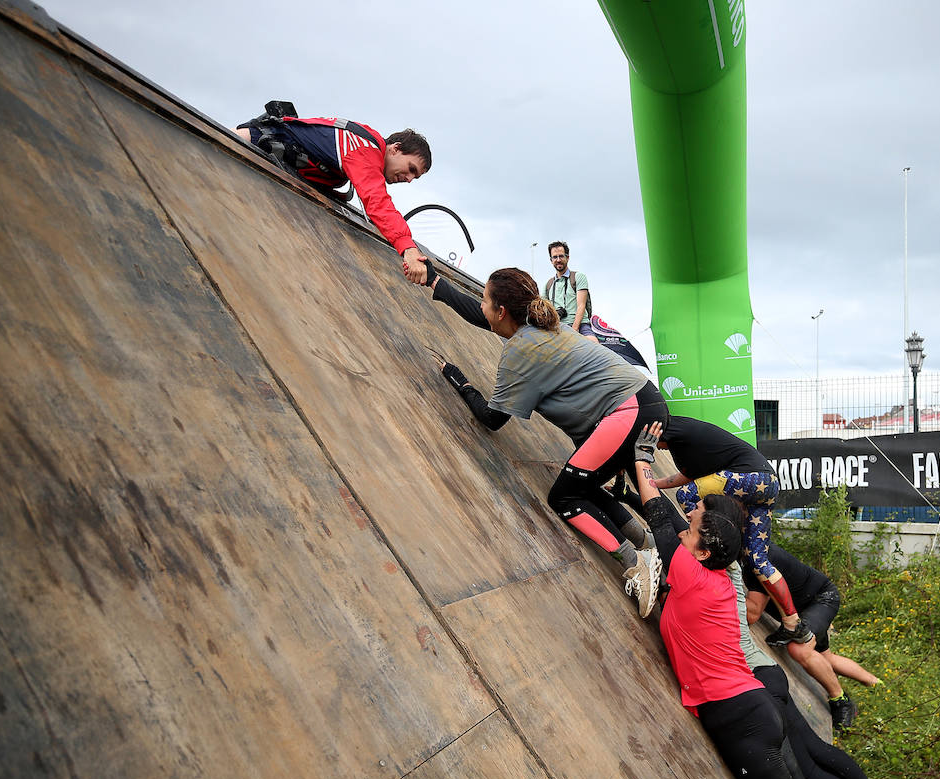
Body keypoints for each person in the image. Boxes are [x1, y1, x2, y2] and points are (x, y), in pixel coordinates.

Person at [630, 423, 919, 779]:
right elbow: (674, 525)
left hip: (736, 715)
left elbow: (655, 510)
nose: (688, 526)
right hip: (755, 701)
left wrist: (641, 462)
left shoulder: (686, 569)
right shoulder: (721, 575)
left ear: (699, 549)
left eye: (694, 527)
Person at [418, 262, 666, 613]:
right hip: (643, 401)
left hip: (626, 412)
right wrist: (435, 282)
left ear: (503, 311)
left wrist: (462, 383)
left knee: (564, 497)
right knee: (584, 483)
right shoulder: (539, 325)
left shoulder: (520, 351)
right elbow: (484, 315)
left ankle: (636, 563)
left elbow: (493, 418)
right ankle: (652, 544)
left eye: (486, 300)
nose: (482, 305)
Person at [731, 567, 917, 779]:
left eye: (691, 525)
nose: (688, 517)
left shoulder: (749, 556)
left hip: (780, 650)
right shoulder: (740, 554)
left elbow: (755, 609)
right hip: (766, 669)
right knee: (815, 753)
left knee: (812, 769)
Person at [648, 415, 809, 641]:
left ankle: (703, 556)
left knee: (687, 496)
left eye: (659, 444)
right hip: (767, 484)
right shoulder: (694, 438)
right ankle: (793, 623)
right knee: (757, 559)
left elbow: (686, 483)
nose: (660, 449)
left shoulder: (681, 437)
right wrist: (652, 484)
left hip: (750, 477)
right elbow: (683, 476)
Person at [235, 103, 432, 282]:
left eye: (415, 178)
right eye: (411, 169)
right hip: (254, 141)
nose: (409, 179)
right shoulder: (366, 149)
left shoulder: (364, 153)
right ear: (395, 149)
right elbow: (377, 201)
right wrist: (408, 248)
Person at [742, 545, 878, 730]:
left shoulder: (757, 560)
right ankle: (875, 683)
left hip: (820, 600)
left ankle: (840, 700)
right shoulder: (752, 548)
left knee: (799, 649)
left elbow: (752, 614)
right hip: (802, 610)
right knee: (825, 657)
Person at [542, 242, 592, 337]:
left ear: (567, 257)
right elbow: (544, 311)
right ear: (551, 260)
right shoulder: (547, 285)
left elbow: (581, 305)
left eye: (561, 256)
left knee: (594, 346)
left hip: (580, 325)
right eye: (555, 257)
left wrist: (574, 329)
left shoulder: (578, 277)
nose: (558, 260)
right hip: (557, 328)